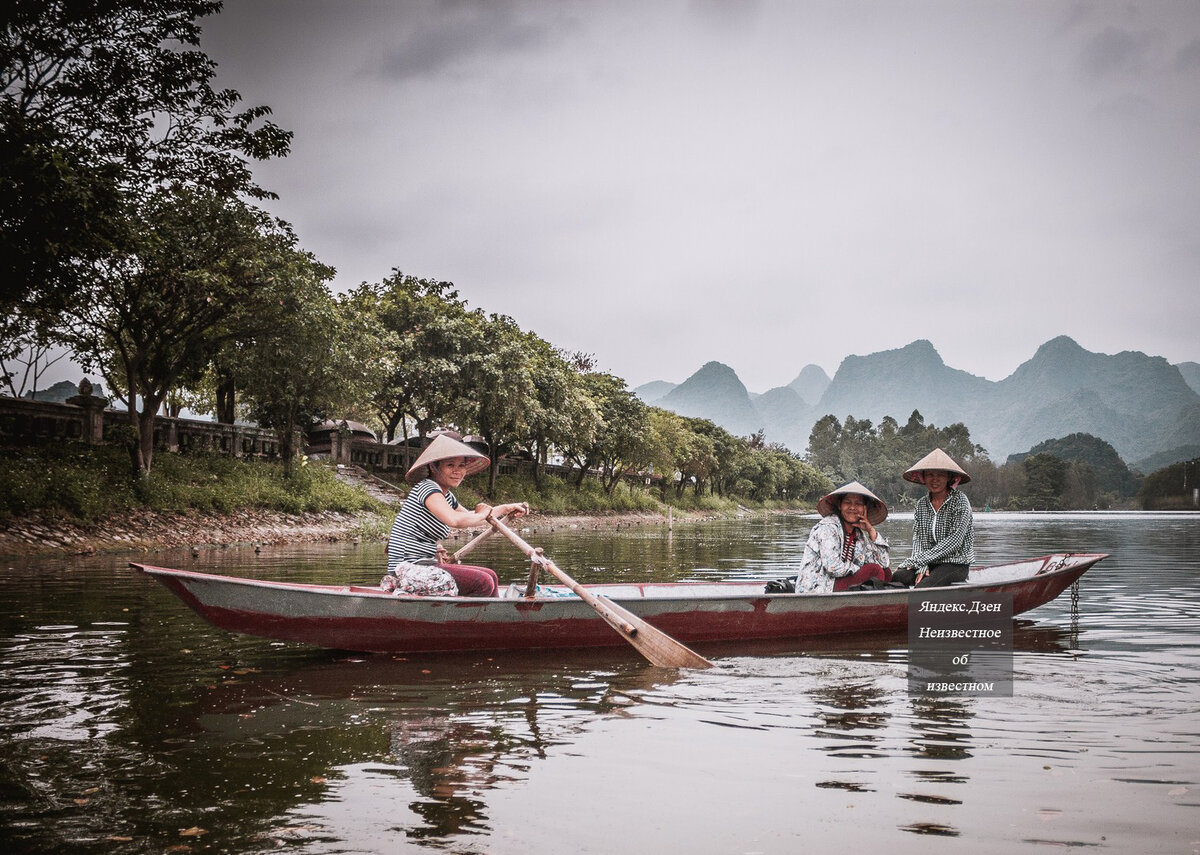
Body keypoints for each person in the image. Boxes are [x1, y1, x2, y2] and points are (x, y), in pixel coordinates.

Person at [384, 433, 530, 597]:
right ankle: (467, 621)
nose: (457, 471)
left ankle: (494, 619)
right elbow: (454, 519)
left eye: (461, 465)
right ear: (433, 467)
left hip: (425, 564)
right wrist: (482, 514)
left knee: (492, 576)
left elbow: (469, 517)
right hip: (407, 569)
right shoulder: (427, 488)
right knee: (483, 581)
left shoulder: (446, 495)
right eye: (450, 465)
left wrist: (505, 508)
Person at [892, 448, 974, 588]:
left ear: (949, 477)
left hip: (956, 563)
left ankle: (918, 606)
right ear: (923, 477)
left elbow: (955, 542)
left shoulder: (960, 501)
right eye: (930, 474)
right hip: (930, 562)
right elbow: (918, 539)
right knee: (899, 576)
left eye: (940, 475)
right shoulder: (922, 504)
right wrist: (922, 564)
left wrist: (919, 560)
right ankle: (899, 608)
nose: (935, 479)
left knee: (923, 587)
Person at [793, 481, 892, 593]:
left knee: (886, 572)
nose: (852, 507)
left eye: (858, 504)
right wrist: (859, 569)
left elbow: (884, 563)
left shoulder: (858, 535)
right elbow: (832, 567)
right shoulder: (828, 527)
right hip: (818, 587)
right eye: (847, 502)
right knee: (874, 570)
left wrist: (871, 531)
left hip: (838, 583)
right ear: (840, 506)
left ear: (864, 508)